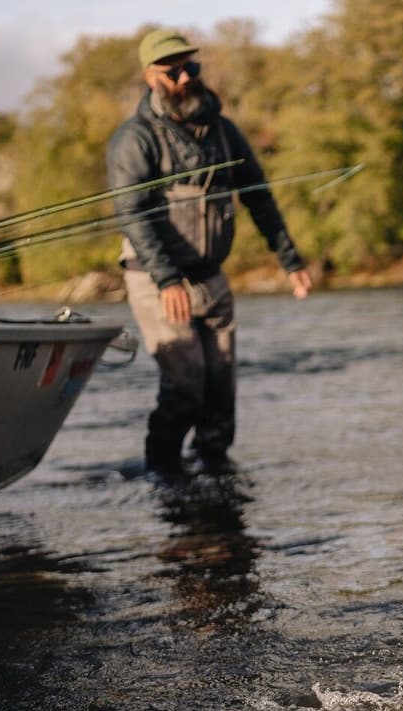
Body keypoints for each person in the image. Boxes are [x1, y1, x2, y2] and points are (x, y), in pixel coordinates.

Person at [108, 28, 313, 478]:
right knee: (186, 385)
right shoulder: (135, 138)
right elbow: (131, 213)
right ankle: (163, 473)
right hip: (155, 278)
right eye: (173, 71)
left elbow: (258, 196)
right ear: (150, 76)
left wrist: (290, 260)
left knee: (221, 385)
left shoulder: (224, 131)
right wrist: (167, 279)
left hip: (211, 275)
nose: (185, 78)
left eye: (191, 67)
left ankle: (216, 469)